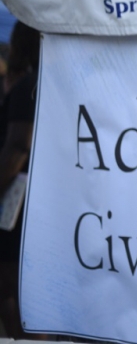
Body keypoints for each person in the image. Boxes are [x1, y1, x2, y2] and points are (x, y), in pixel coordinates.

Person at [0, 21, 45, 341]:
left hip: (18, 208)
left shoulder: (29, 85)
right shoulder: (45, 84)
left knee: (13, 293)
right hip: (35, 206)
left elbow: (18, 148)